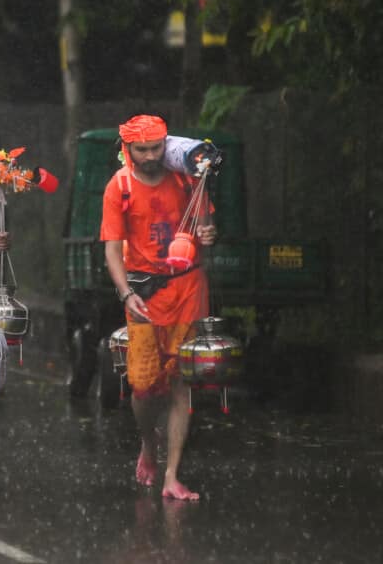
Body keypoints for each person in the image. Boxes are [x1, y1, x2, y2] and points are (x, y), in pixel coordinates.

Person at [100, 114, 217, 501]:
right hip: (144, 294)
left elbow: (205, 229)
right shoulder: (119, 187)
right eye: (142, 149)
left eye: (156, 147)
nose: (150, 156)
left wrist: (207, 233)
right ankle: (148, 444)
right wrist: (125, 293)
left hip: (187, 289)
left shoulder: (185, 178)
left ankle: (172, 476)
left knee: (182, 382)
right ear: (127, 149)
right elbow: (113, 250)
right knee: (143, 386)